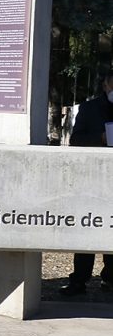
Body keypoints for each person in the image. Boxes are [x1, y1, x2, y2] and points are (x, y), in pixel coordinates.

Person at [61, 69, 113, 296]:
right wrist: (99, 139)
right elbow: (75, 140)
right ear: (105, 85)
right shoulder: (89, 109)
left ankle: (110, 280)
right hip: (92, 181)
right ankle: (79, 281)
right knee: (87, 231)